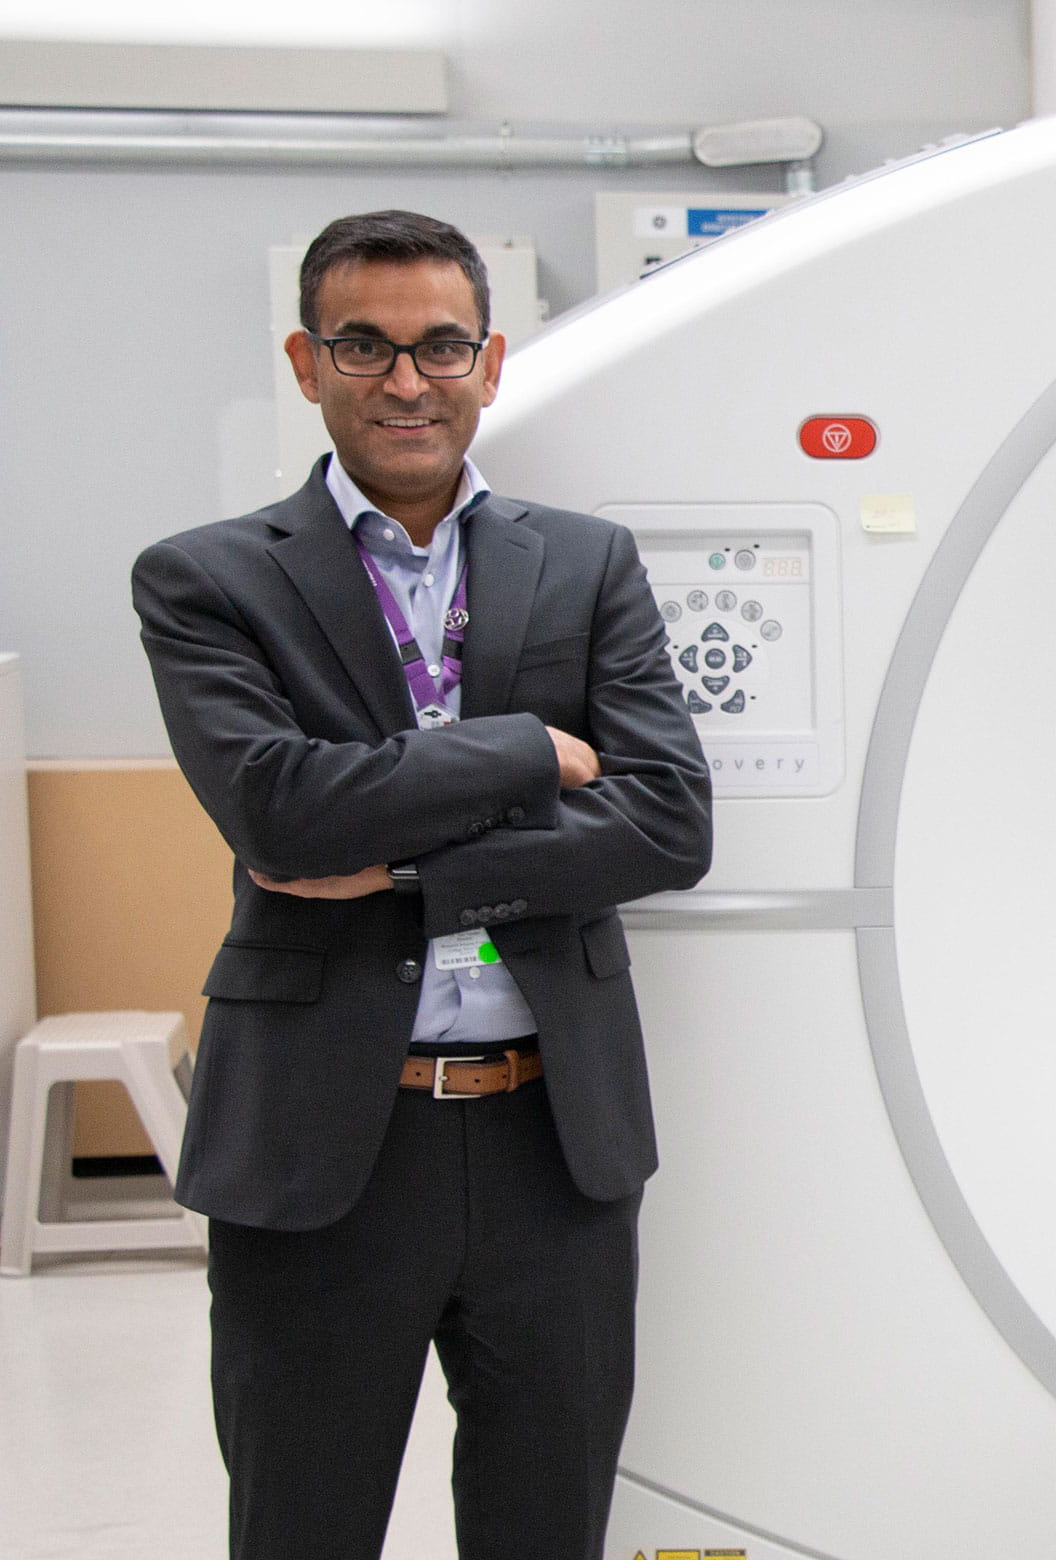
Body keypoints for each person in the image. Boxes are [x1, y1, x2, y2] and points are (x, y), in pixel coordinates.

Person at [129, 209, 712, 1559]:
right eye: (366, 347)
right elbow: (275, 806)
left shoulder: (583, 564)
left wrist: (396, 861)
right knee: (303, 1527)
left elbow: (669, 823)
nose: (406, 382)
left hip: (551, 1147)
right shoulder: (210, 581)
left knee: (545, 1528)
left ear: (490, 361)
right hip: (325, 1146)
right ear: (306, 360)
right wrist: (523, 750)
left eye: (440, 345)